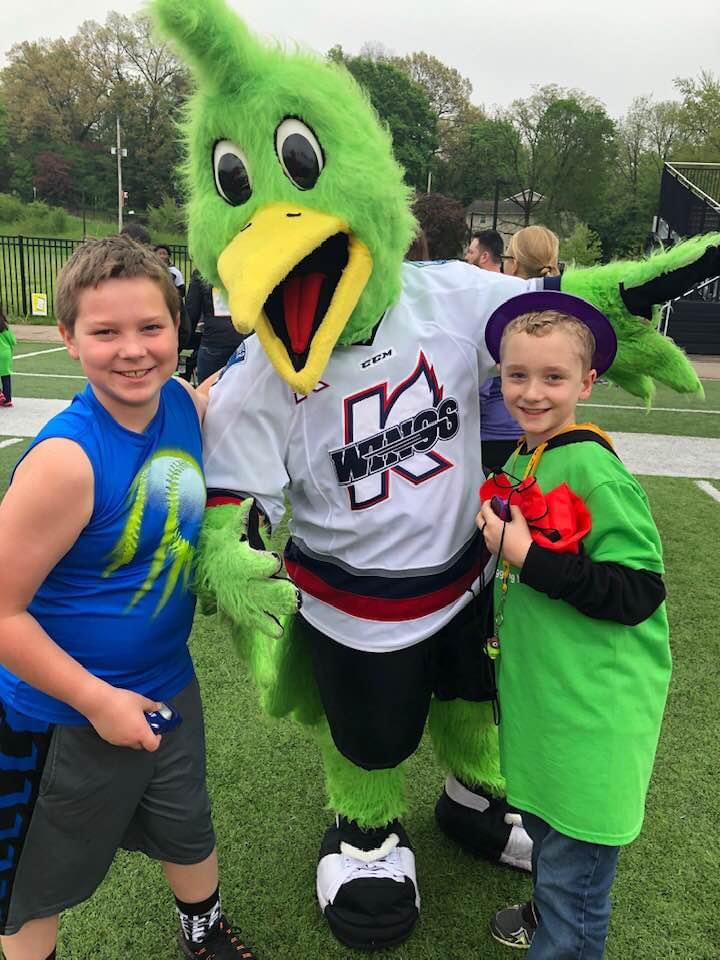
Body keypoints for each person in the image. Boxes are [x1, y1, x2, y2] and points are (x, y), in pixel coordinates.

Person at [0, 235, 256, 960]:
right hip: (59, 717)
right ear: (69, 338)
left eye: (151, 327)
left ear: (180, 328)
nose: (134, 350)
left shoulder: (180, 403)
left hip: (168, 682)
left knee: (187, 824)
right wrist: (95, 701)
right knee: (32, 890)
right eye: (105, 331)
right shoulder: (65, 462)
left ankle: (202, 934)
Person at [477, 290, 670, 959]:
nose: (531, 392)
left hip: (591, 717)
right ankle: (544, 908)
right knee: (547, 835)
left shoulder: (592, 467)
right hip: (549, 706)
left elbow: (639, 590)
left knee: (576, 891)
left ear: (586, 382)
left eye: (553, 377)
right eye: (517, 375)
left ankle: (559, 932)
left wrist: (526, 556)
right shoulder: (528, 451)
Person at [186, 270, 244, 383]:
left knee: (208, 395)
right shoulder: (247, 268)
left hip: (214, 343)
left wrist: (183, 342)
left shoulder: (202, 272)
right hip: (245, 341)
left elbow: (191, 313)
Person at [0, 304, 16, 408]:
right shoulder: (4, 326)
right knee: (6, 376)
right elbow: (13, 341)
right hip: (5, 353)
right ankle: (8, 399)